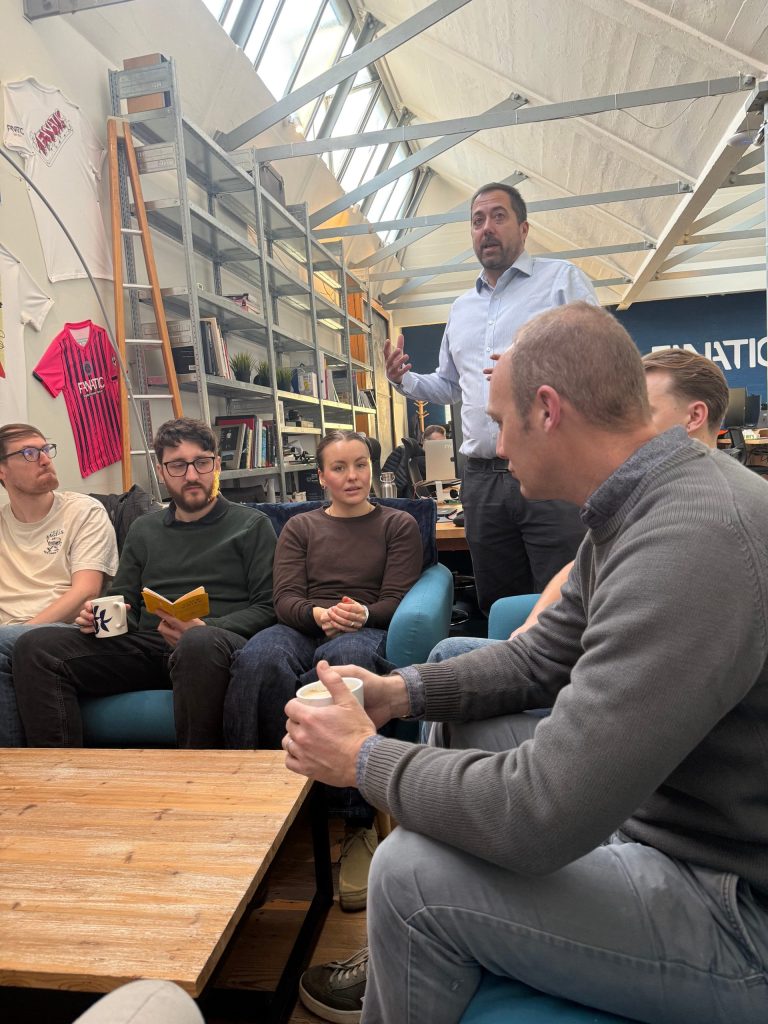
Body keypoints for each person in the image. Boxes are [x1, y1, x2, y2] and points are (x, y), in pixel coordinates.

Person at [291, 303, 768, 1024]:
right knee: (458, 722)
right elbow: (540, 658)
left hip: (733, 910)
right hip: (670, 823)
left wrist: (364, 760)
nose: (493, 446)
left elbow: (542, 811)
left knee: (406, 874)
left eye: (499, 421)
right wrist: (395, 694)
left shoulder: (690, 540)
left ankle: (411, 960)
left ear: (547, 411)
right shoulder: (643, 501)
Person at [224, 430, 422, 912]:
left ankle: (353, 821)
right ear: (321, 477)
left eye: (360, 465)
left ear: (372, 470)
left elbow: (397, 598)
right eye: (339, 468)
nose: (351, 476)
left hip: (364, 626)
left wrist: (362, 614)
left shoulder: (397, 524)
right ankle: (253, 804)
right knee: (258, 659)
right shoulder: (300, 528)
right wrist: (317, 615)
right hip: (306, 623)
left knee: (340, 672)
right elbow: (285, 598)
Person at [384, 182, 599, 613]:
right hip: (481, 479)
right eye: (477, 220)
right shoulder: (461, 308)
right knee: (498, 606)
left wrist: (535, 365)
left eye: (498, 216)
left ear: (522, 228)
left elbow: (597, 359)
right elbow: (449, 386)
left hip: (549, 469)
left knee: (566, 604)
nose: (487, 228)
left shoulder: (562, 281)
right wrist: (403, 381)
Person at [12, 417, 277, 748]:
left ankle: (203, 779)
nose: (192, 475)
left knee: (198, 644)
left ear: (217, 465)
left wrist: (204, 626)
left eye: (201, 463)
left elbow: (269, 607)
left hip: (215, 646)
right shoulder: (144, 529)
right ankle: (60, 776)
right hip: (148, 646)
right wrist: (101, 617)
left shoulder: (252, 525)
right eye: (178, 465)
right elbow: (127, 603)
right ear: (161, 471)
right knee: (34, 648)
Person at [0, 422, 118, 747]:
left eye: (45, 449)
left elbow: (86, 590)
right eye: (29, 453)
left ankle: (13, 779)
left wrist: (22, 633)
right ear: (2, 471)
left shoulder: (82, 512)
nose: (45, 459)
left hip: (66, 634)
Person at [380, 422, 447, 496]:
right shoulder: (421, 461)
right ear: (424, 442)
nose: (439, 448)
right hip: (404, 498)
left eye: (443, 444)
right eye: (436, 444)